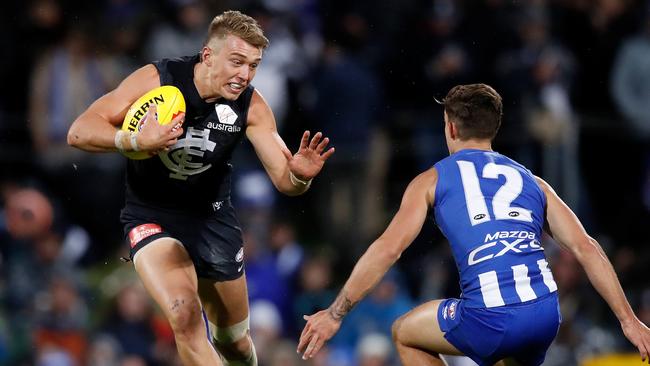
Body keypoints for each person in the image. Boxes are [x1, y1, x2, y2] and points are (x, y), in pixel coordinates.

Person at [298, 83, 650, 365]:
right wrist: (628, 321)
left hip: (491, 318)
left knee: (404, 331)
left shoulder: (432, 180)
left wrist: (335, 313)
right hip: (545, 314)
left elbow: (388, 249)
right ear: (493, 127)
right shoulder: (533, 181)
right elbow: (586, 247)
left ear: (450, 127)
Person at [67, 10, 334, 366]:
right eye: (237, 62)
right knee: (186, 317)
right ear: (208, 55)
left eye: (253, 66)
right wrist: (133, 139)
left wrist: (302, 175)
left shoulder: (251, 106)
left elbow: (286, 183)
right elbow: (79, 131)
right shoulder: (157, 80)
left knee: (235, 342)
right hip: (152, 217)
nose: (244, 75)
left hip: (212, 221)